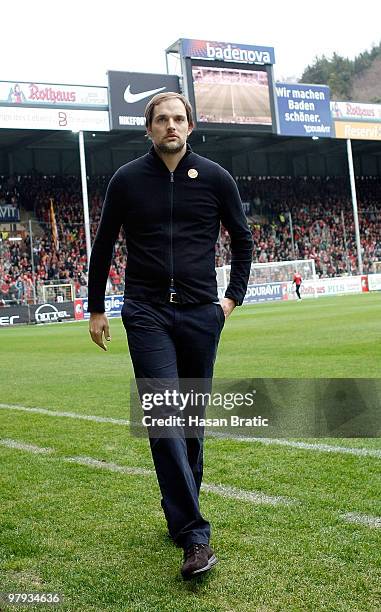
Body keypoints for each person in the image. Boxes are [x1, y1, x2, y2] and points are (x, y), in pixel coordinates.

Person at [88, 92, 253, 580]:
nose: (170, 126)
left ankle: (180, 508)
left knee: (191, 424)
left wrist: (231, 300)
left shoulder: (216, 178)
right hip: (146, 313)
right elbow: (103, 245)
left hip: (203, 315)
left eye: (178, 119)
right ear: (148, 129)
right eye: (161, 119)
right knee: (164, 417)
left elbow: (242, 237)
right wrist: (97, 308)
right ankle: (195, 536)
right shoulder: (127, 180)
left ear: (190, 126)